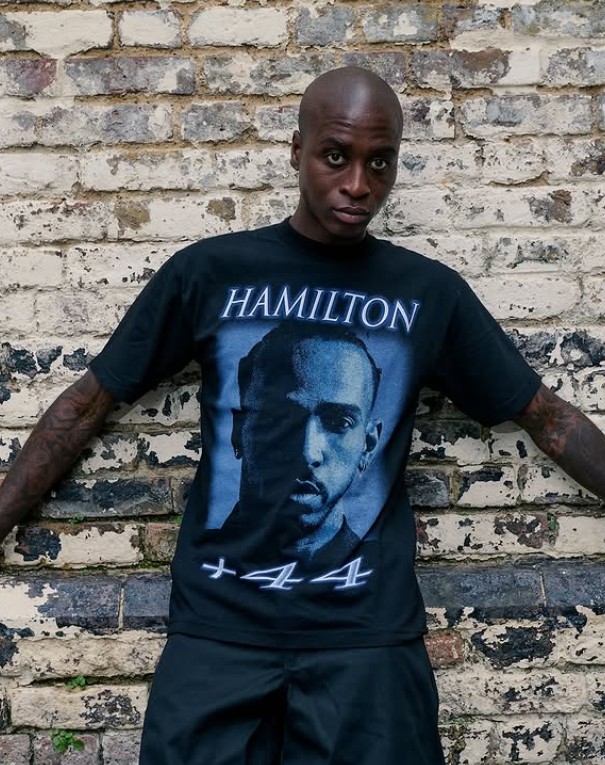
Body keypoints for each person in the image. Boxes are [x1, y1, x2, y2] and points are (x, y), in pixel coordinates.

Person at [1, 65, 605, 764]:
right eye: (335, 157)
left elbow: (547, 419)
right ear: (297, 152)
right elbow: (86, 404)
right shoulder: (210, 274)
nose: (358, 185)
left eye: (380, 163)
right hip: (220, 632)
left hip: (366, 641)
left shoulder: (426, 293)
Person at [223, 322, 383, 564]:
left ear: (368, 445)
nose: (308, 453)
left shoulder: (380, 568)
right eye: (280, 418)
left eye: (338, 422)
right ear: (239, 432)